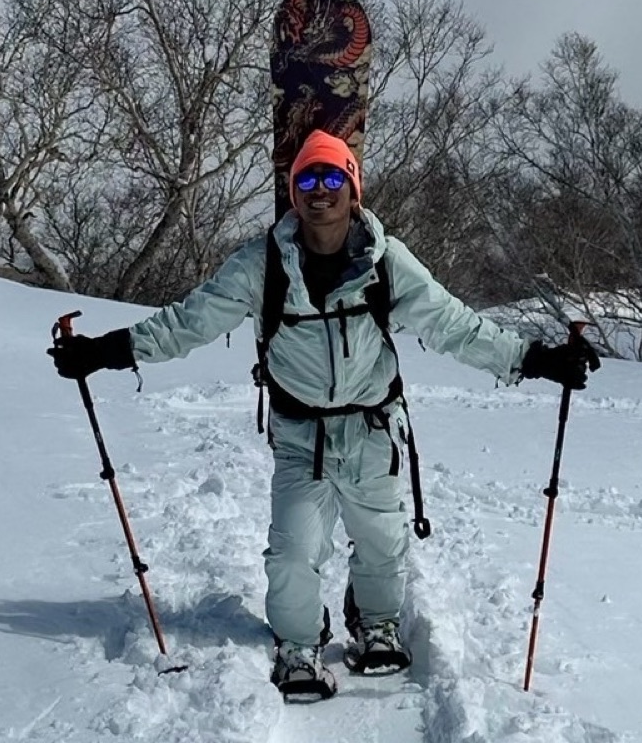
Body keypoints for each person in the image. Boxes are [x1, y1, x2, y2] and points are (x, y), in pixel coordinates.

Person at [48, 130, 600, 699]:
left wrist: (535, 360)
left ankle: (376, 624)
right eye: (307, 180)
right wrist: (104, 351)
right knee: (293, 549)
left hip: (374, 428)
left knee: (383, 541)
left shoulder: (387, 262)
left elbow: (453, 324)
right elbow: (188, 322)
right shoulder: (260, 266)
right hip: (299, 433)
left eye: (333, 178)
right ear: (293, 194)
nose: (320, 190)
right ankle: (298, 641)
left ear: (353, 189)